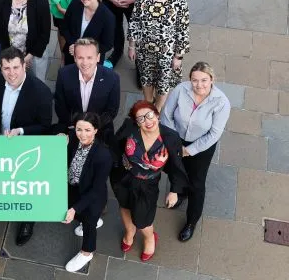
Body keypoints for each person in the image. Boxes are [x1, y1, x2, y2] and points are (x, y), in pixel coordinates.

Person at [0, 47, 53, 246]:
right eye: (7, 68)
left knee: (25, 183)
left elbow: (45, 125)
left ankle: (27, 220)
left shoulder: (41, 92)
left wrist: (21, 131)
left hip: (23, 146)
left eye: (16, 67)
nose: (11, 73)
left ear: (24, 66)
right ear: (1, 68)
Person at [161, 62, 231, 242]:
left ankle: (191, 222)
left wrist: (190, 150)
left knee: (197, 183)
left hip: (201, 146)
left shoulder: (221, 102)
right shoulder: (180, 89)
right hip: (176, 140)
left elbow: (214, 133)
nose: (199, 85)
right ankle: (180, 192)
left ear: (212, 80)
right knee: (174, 170)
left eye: (204, 80)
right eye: (194, 80)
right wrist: (174, 143)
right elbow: (166, 115)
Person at [111, 100, 188, 261]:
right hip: (124, 177)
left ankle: (149, 238)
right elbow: (115, 145)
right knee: (124, 206)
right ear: (136, 122)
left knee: (142, 219)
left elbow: (176, 165)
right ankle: (129, 233)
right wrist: (116, 163)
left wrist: (174, 190)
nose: (147, 121)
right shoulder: (129, 128)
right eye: (141, 119)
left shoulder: (170, 137)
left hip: (148, 184)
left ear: (157, 115)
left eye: (149, 115)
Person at [128, 0, 190, 110]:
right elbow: (134, 23)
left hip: (166, 55)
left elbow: (183, 32)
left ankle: (158, 109)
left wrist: (178, 57)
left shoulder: (179, 2)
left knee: (163, 83)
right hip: (145, 52)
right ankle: (148, 104)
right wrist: (132, 46)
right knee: (146, 80)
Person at [62, 113, 112, 273]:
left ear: (96, 130)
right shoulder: (71, 137)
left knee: (89, 222)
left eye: (88, 130)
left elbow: (96, 189)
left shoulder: (103, 155)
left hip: (92, 195)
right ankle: (88, 219)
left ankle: (86, 252)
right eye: (79, 129)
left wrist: (76, 208)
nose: (82, 134)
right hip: (73, 187)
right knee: (74, 213)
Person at [54, 38, 120, 145]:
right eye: (80, 57)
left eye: (89, 58)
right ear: (75, 58)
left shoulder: (112, 78)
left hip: (99, 128)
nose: (85, 63)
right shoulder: (63, 74)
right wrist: (78, 127)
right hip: (71, 125)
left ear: (98, 57)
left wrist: (91, 128)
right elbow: (60, 106)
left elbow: (111, 111)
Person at [60, 0, 114, 65]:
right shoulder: (75, 3)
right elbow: (64, 27)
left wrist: (81, 49)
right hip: (71, 54)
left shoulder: (107, 16)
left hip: (91, 61)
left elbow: (107, 44)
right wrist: (72, 43)